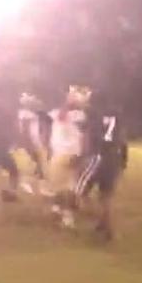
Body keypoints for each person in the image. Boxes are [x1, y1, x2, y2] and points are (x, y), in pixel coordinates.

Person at [75, 90, 128, 241]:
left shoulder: (92, 113)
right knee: (106, 197)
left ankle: (100, 219)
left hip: (96, 157)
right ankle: (107, 227)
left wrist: (82, 156)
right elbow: (123, 138)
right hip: (114, 157)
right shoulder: (117, 114)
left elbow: (86, 136)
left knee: (80, 194)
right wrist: (124, 160)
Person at [46, 85, 91, 229]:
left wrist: (70, 101)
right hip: (73, 152)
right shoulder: (81, 115)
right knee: (67, 186)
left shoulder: (68, 114)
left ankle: (67, 216)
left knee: (63, 187)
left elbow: (61, 116)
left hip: (64, 153)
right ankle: (59, 209)